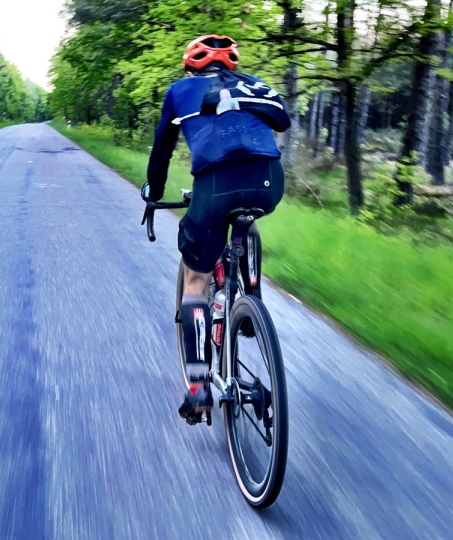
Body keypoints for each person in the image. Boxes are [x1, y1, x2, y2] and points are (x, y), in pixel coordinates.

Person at [141, 35, 291, 422]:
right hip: (270, 180)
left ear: (191, 66)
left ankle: (197, 388)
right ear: (231, 66)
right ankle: (249, 295)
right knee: (246, 217)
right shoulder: (254, 83)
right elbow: (282, 120)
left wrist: (152, 194)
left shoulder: (180, 91)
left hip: (215, 182)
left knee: (195, 277)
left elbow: (162, 149)